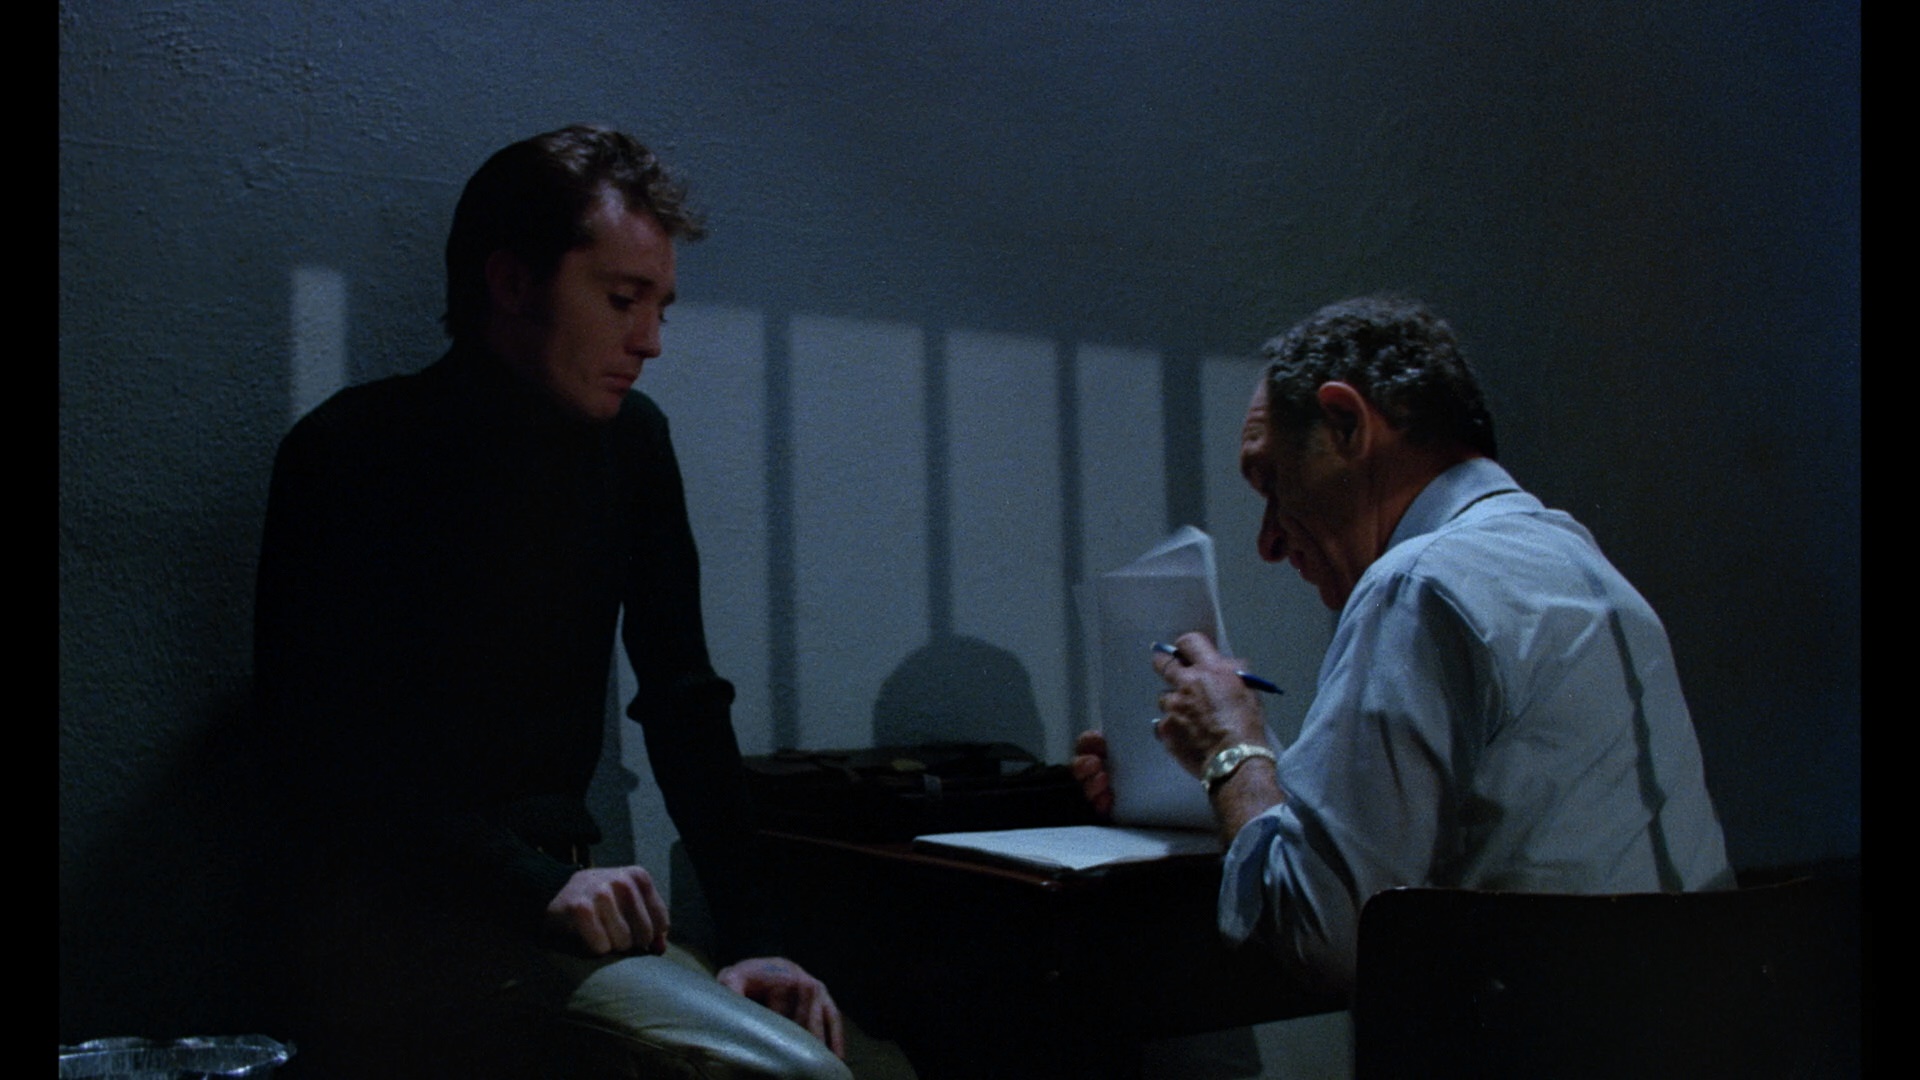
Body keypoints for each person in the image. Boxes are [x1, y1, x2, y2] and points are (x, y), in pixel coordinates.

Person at [254, 125, 859, 1078]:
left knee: (868, 1055)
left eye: (659, 307)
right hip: (396, 922)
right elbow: (314, 752)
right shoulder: (353, 450)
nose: (649, 341)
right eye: (621, 300)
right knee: (794, 1074)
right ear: (511, 282)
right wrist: (532, 881)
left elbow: (685, 701)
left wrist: (757, 939)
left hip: (566, 911)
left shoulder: (628, 443)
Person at [1072, 295, 1734, 998]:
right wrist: (1227, 758)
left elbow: (1327, 937)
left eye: (1273, 483)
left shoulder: (1418, 583)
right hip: (1687, 1023)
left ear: (1347, 423)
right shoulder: (1573, 560)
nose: (1268, 541)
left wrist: (1231, 755)